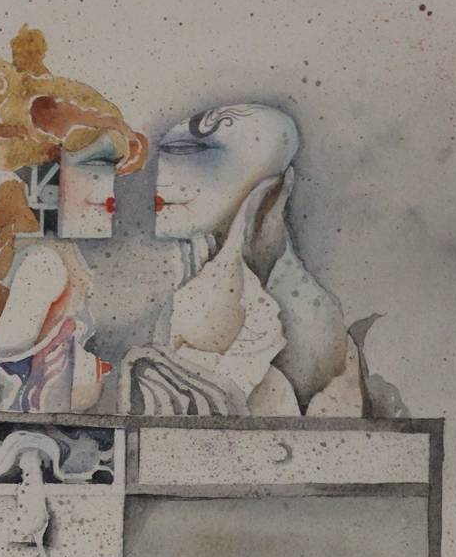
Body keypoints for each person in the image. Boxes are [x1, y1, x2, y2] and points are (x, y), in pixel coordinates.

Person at [0, 25, 147, 412]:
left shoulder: (43, 104)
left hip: (60, 223)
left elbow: (75, 137)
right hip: (46, 232)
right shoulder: (17, 127)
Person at [119, 103, 349, 416]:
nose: (162, 173)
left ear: (272, 185)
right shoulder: (190, 276)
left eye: (189, 151)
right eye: (165, 151)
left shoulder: (297, 315)